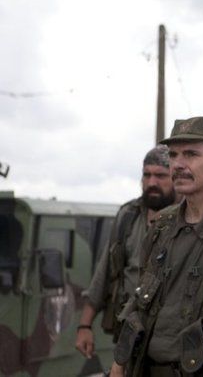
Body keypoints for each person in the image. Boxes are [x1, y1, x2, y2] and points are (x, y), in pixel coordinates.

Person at [109, 116, 203, 376]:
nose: (178, 164)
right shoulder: (162, 225)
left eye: (191, 154)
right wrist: (118, 365)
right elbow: (140, 300)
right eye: (174, 155)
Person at [75, 145, 176, 358]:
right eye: (147, 175)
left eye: (160, 176)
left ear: (175, 177)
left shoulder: (188, 218)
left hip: (168, 339)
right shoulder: (128, 216)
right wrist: (84, 326)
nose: (152, 182)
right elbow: (105, 272)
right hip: (128, 334)